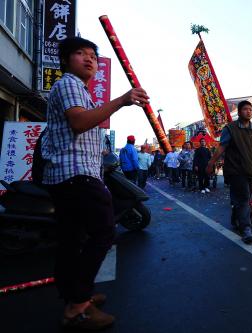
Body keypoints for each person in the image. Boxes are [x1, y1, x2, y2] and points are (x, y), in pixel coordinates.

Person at [40, 36, 149, 330]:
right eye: (80, 53)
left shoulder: (80, 90)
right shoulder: (69, 84)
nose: (89, 59)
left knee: (72, 240)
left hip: (70, 175)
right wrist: (122, 100)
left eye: (92, 55)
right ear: (65, 59)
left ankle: (75, 296)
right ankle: (78, 306)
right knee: (103, 233)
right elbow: (79, 123)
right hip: (75, 175)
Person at [206, 100, 252, 243]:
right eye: (245, 109)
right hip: (236, 169)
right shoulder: (230, 129)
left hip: (251, 169)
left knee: (244, 197)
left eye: (250, 109)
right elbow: (222, 147)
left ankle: (236, 215)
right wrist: (211, 163)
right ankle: (246, 229)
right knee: (244, 197)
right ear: (239, 112)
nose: (248, 112)